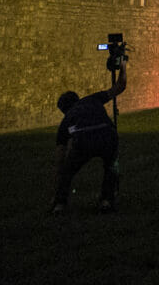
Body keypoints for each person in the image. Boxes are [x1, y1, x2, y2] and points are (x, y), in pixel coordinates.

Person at [50, 59, 126, 213]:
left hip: (84, 140)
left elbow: (60, 160)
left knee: (68, 171)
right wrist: (123, 66)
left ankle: (60, 205)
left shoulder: (66, 120)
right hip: (107, 135)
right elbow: (119, 86)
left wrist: (56, 191)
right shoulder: (92, 99)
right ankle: (106, 201)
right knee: (111, 167)